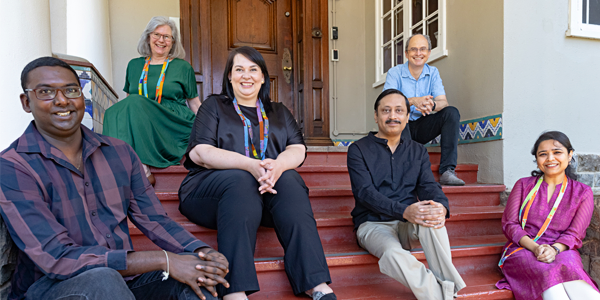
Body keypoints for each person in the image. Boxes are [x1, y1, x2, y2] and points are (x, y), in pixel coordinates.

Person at [0, 57, 229, 300]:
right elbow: (57, 258)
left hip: (121, 283)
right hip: (51, 288)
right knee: (103, 279)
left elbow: (154, 219)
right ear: (27, 102)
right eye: (46, 92)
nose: (62, 100)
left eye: (71, 90)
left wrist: (201, 252)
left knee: (198, 278)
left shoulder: (119, 152)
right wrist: (163, 260)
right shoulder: (14, 166)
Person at [178, 46, 336, 300]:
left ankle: (315, 282)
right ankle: (234, 289)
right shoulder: (214, 106)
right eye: (239, 69)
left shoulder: (279, 112)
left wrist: (277, 165)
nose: (246, 75)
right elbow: (200, 153)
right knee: (240, 178)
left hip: (264, 198)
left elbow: (297, 149)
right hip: (210, 194)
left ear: (263, 76)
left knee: (290, 177)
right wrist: (250, 164)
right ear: (229, 76)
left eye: (253, 69)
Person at [347, 89, 466, 300]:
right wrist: (404, 211)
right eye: (386, 111)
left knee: (432, 216)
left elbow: (428, 186)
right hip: (373, 225)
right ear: (376, 116)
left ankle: (446, 290)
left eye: (399, 111)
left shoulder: (417, 151)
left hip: (408, 225)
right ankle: (444, 295)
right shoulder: (358, 150)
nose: (393, 116)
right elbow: (364, 193)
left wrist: (441, 206)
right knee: (393, 255)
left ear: (407, 116)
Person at [496, 131, 600, 300]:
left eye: (557, 152)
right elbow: (510, 225)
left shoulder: (582, 192)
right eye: (543, 154)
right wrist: (536, 248)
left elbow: (575, 233)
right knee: (550, 281)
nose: (550, 159)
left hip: (562, 250)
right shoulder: (523, 185)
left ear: (570, 154)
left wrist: (554, 249)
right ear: (537, 160)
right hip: (523, 248)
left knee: (578, 282)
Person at [103, 16, 201, 185]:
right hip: (143, 119)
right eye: (157, 35)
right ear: (148, 37)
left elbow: (194, 103)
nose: (161, 40)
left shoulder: (182, 67)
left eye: (167, 37)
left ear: (173, 42)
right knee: (113, 112)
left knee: (134, 103)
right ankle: (134, 164)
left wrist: (208, 132)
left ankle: (140, 168)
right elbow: (129, 103)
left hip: (171, 121)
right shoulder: (134, 65)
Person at [383, 34, 464, 186]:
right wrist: (413, 101)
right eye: (413, 49)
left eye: (422, 49)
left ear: (428, 52)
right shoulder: (395, 73)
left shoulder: (433, 72)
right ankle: (409, 173)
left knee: (451, 112)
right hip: (400, 127)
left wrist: (432, 105)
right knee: (398, 117)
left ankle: (447, 171)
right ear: (406, 53)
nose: (418, 53)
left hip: (421, 125)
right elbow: (387, 103)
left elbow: (443, 102)